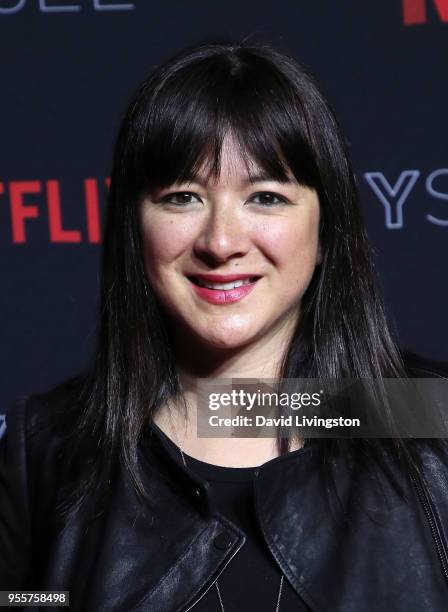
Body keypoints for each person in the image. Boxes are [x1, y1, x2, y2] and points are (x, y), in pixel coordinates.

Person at [1, 42, 448, 612]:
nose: (221, 242)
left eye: (266, 197)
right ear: (134, 228)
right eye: (183, 197)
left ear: (325, 231)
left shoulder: (431, 422)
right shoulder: (47, 451)